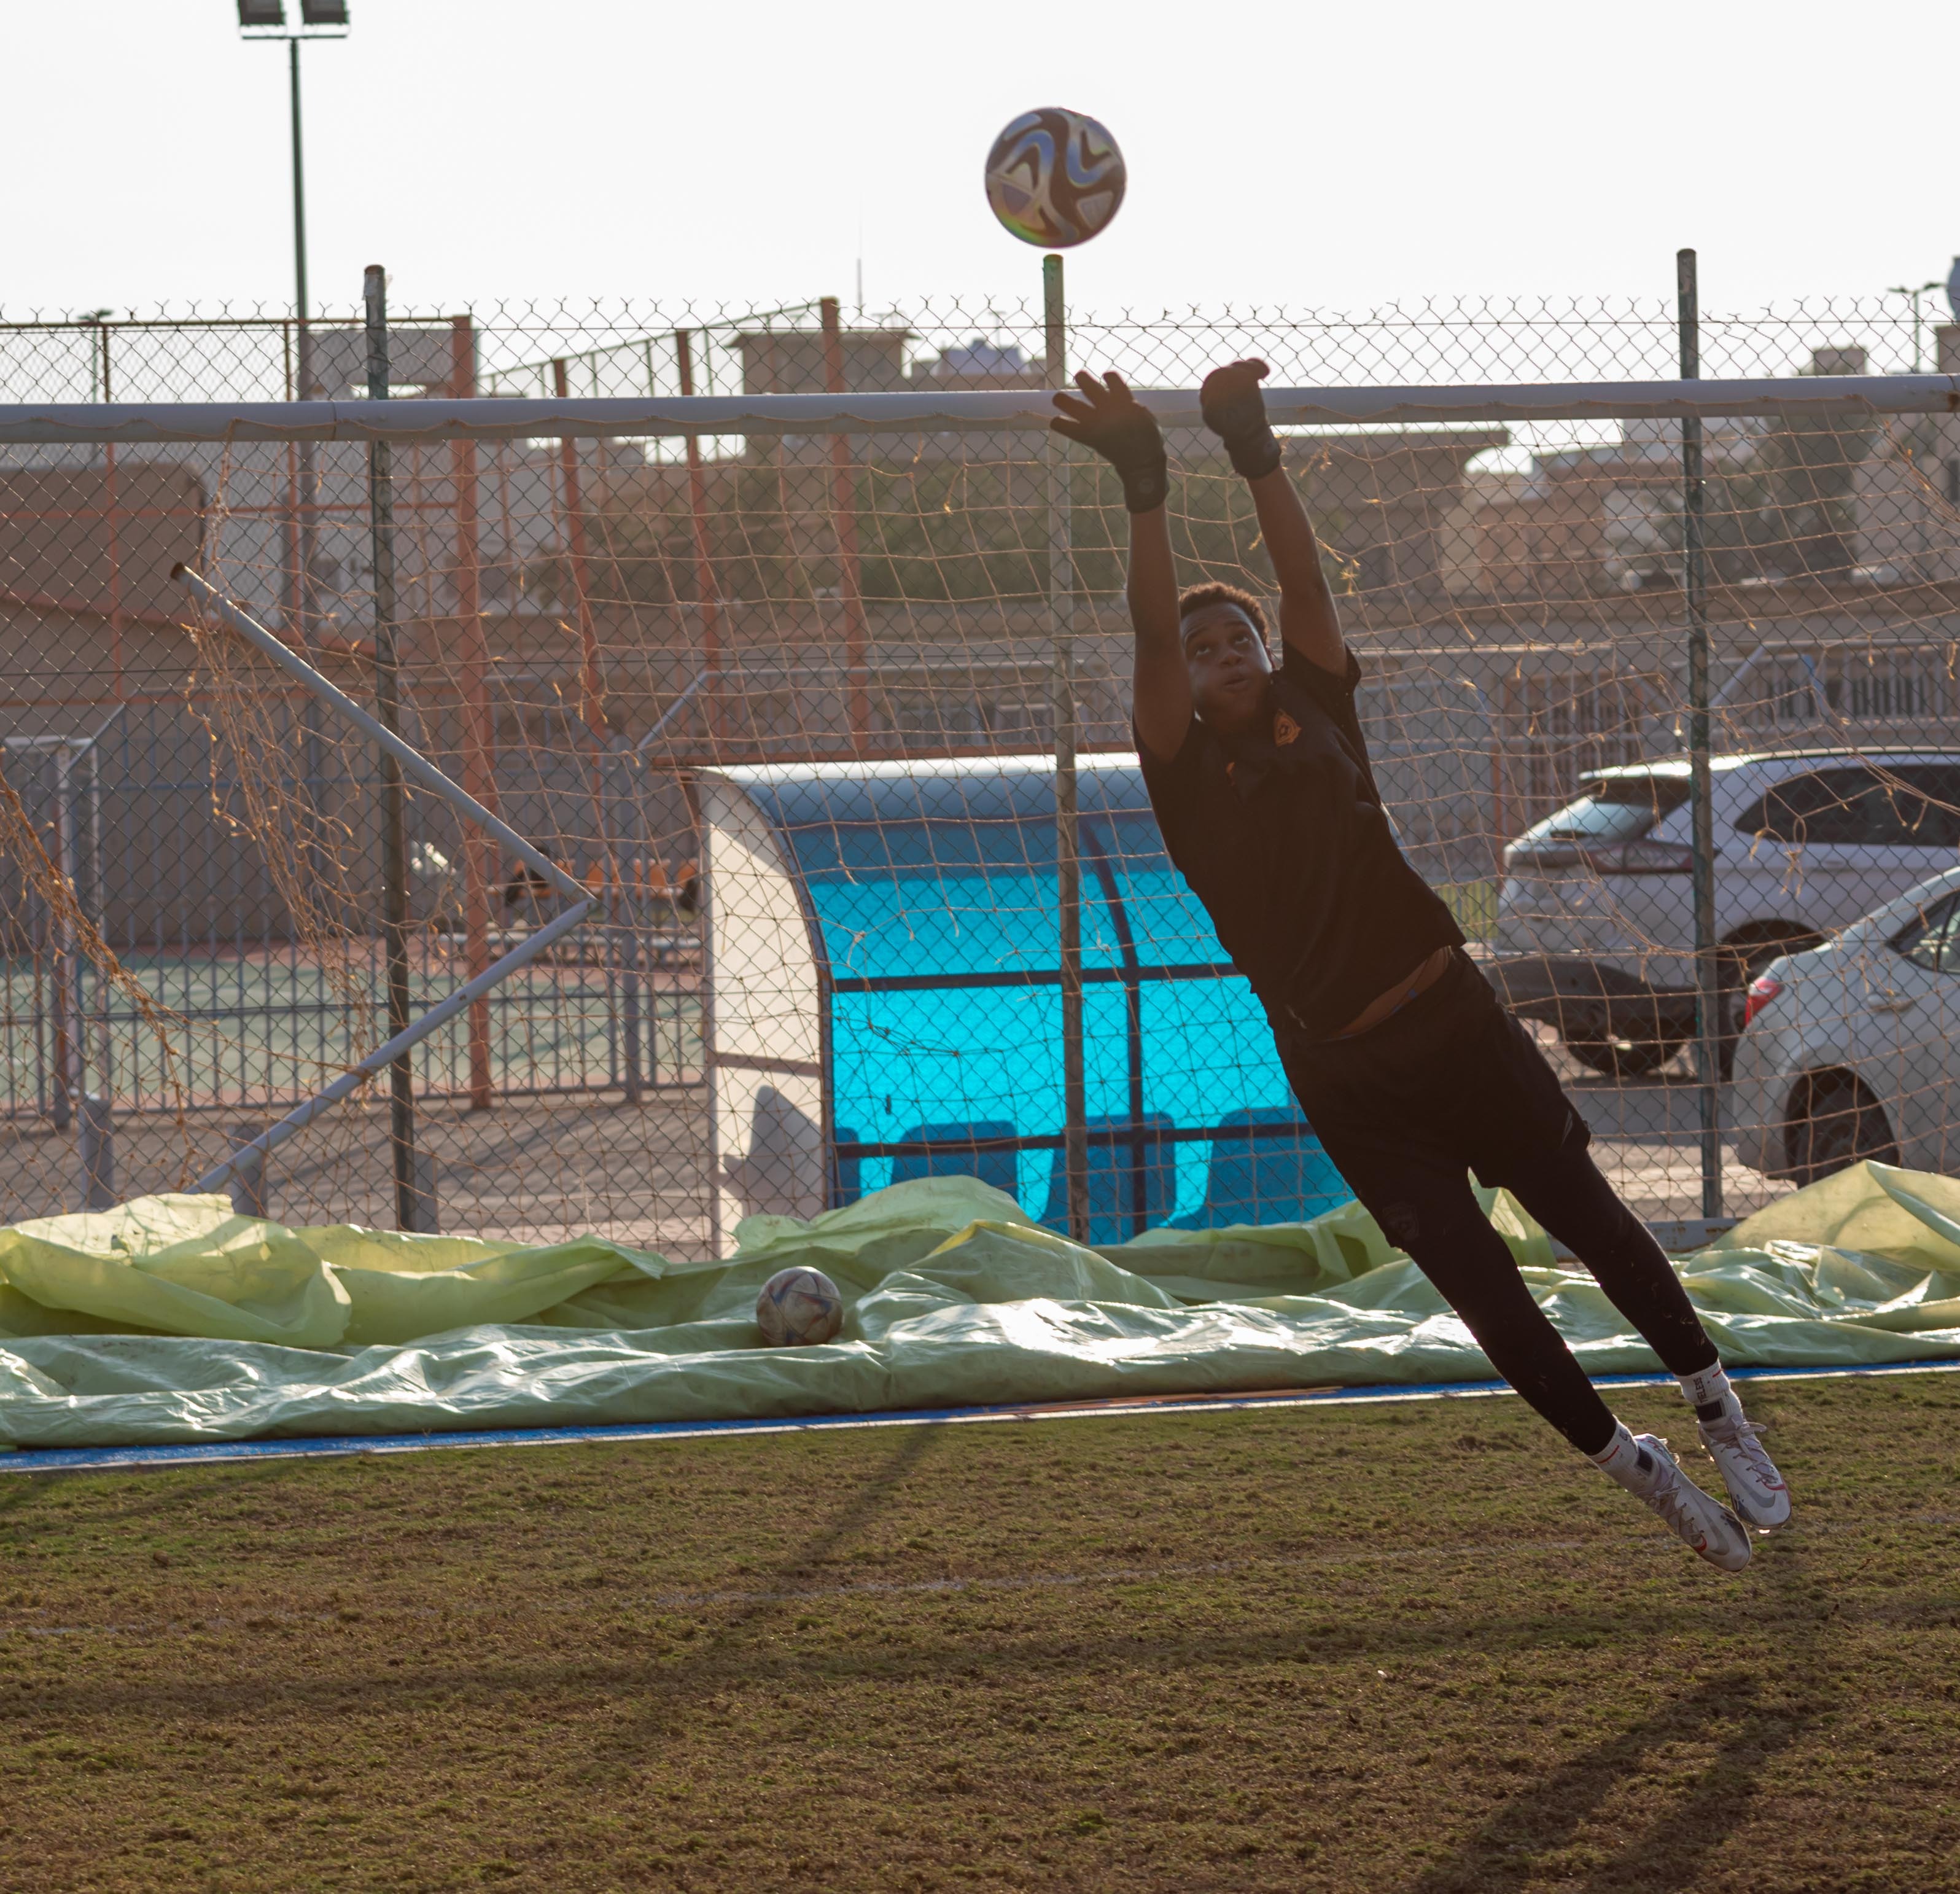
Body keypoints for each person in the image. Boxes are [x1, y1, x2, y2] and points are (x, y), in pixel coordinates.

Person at [1051, 359, 1788, 1572]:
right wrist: (1144, 486)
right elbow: (1146, 628)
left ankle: (1714, 1401)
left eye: (1236, 635)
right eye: (1202, 644)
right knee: (1485, 1291)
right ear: (1178, 684)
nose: (1224, 647)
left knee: (1589, 1221)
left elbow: (1299, 580)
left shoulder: (1322, 712)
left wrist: (1254, 448)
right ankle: (1637, 1467)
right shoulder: (1182, 779)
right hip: (1347, 1079)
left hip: (1452, 1022)